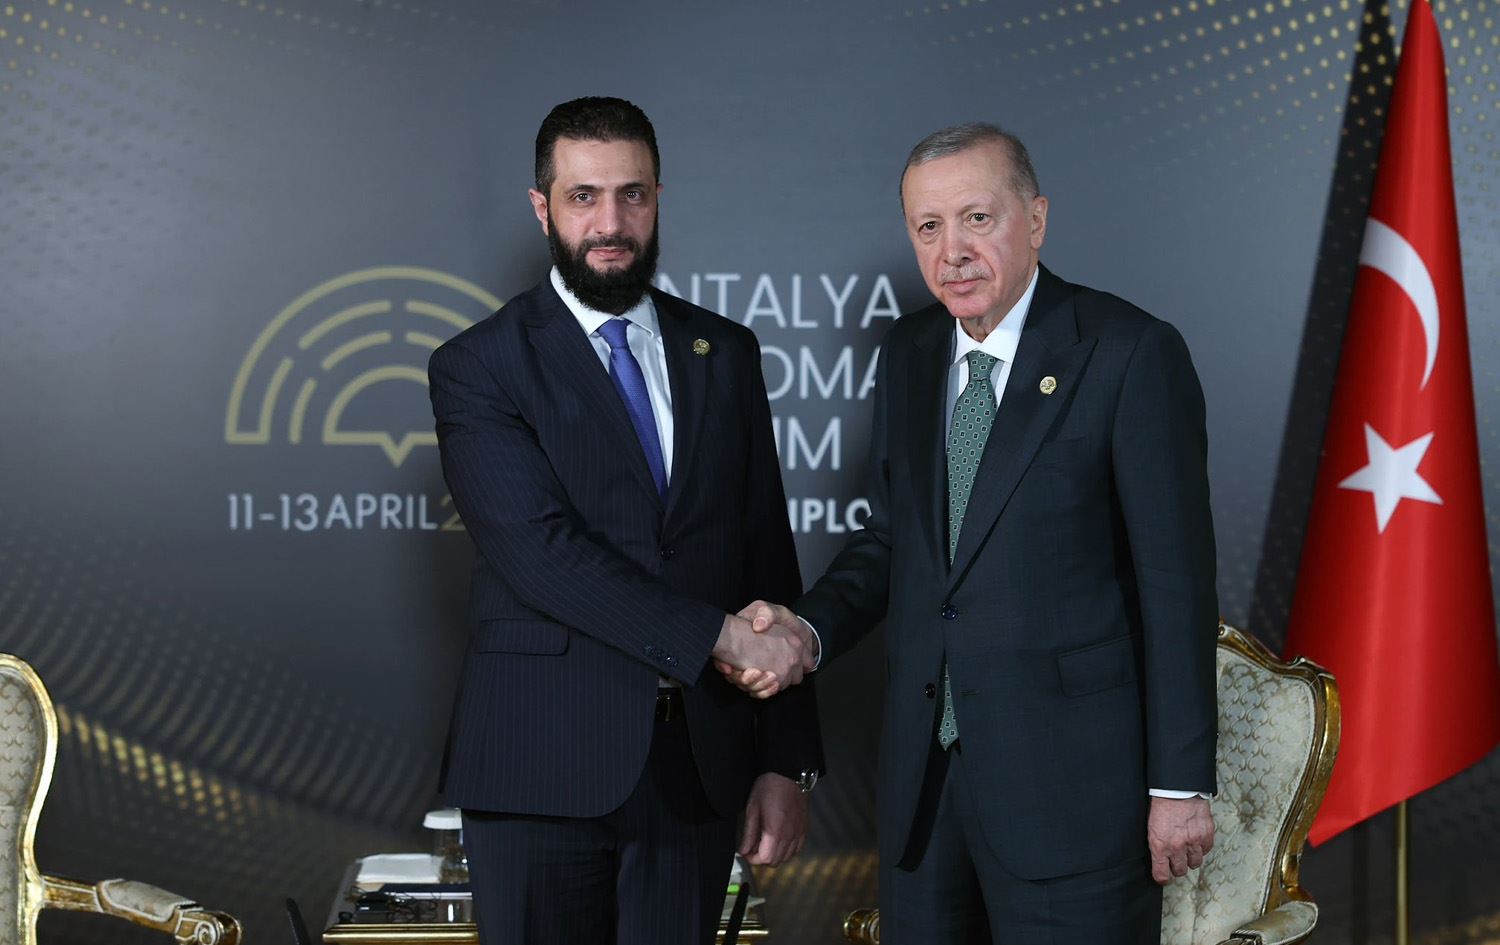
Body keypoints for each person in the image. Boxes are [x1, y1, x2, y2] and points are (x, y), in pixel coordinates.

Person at [733, 123, 1218, 942]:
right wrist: (806, 632)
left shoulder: (1129, 353)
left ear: (1037, 219)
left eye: (977, 218)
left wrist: (1178, 785)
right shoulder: (911, 350)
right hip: (925, 799)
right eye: (928, 227)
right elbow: (893, 543)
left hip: (1073, 798)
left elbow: (1176, 586)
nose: (952, 250)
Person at [428, 96, 822, 945]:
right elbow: (540, 554)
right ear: (543, 208)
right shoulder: (478, 364)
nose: (611, 223)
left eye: (632, 194)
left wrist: (785, 761)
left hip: (695, 773)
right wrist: (721, 635)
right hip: (537, 769)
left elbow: (766, 556)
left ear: (657, 198)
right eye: (584, 196)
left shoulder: (726, 351)